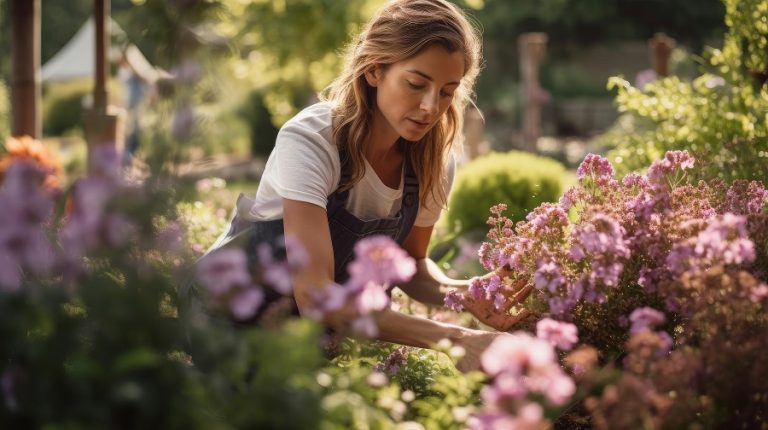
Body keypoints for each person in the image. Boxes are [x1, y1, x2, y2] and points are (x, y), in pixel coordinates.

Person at [205, 0, 530, 371]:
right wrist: (455, 338)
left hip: (310, 350)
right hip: (229, 331)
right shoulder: (312, 140)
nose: (430, 107)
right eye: (416, 84)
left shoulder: (434, 161)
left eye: (446, 91)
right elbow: (315, 294)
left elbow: (413, 268)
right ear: (375, 70)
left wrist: (467, 294)